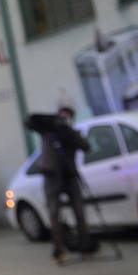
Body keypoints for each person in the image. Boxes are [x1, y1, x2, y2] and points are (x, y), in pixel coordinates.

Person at [28, 106, 97, 264]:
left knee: (79, 211)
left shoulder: (71, 133)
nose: (64, 120)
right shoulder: (47, 132)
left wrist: (70, 133)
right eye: (62, 117)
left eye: (67, 118)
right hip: (52, 176)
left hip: (70, 176)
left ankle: (85, 246)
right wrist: (50, 121)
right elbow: (30, 121)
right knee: (54, 213)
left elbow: (86, 147)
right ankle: (58, 250)